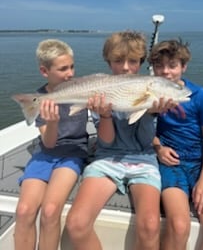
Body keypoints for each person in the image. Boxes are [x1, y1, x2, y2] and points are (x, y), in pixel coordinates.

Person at [66, 31, 175, 250]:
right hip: (107, 157)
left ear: (141, 63)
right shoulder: (100, 91)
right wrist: (105, 115)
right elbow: (105, 142)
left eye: (133, 61)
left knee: (150, 226)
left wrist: (150, 114)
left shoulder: (150, 92)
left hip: (143, 159)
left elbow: (145, 142)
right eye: (118, 61)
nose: (125, 67)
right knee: (76, 224)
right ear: (108, 62)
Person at [148, 38, 203, 250]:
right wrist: (158, 147)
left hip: (197, 162)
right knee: (178, 226)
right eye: (159, 66)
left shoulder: (200, 96)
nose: (166, 71)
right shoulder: (148, 94)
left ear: (183, 67)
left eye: (172, 65)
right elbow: (142, 130)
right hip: (170, 163)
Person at [14, 39, 89, 250]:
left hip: (73, 152)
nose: (70, 74)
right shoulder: (39, 98)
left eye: (72, 66)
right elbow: (48, 142)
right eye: (63, 69)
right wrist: (53, 122)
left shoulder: (83, 88)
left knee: (50, 210)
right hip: (45, 152)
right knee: (24, 210)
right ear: (44, 71)